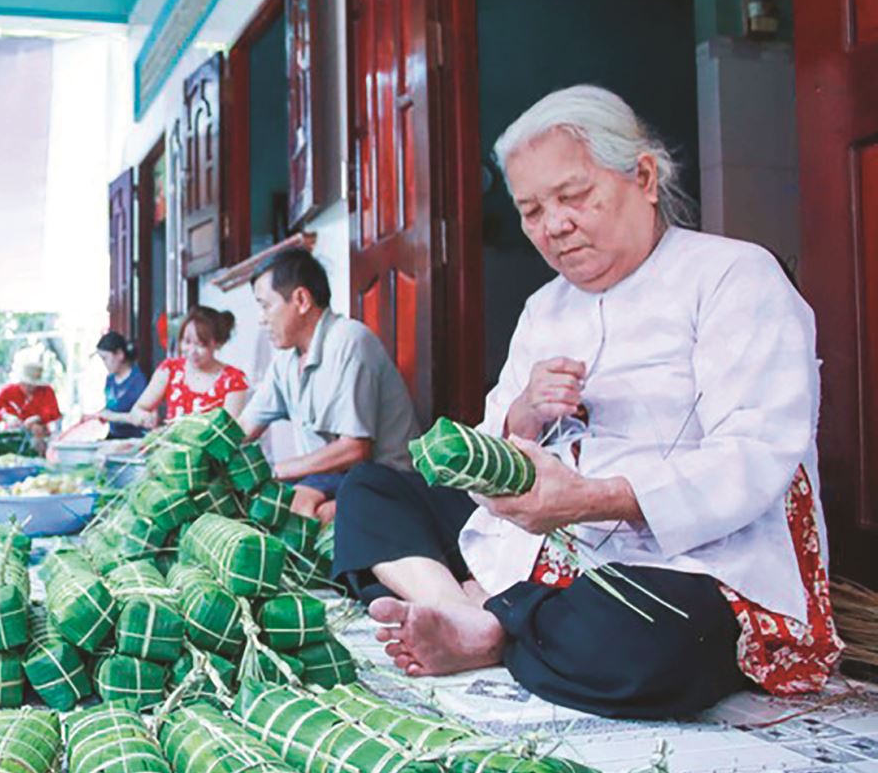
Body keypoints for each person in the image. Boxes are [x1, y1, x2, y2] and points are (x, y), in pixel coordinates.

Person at [333, 85, 843, 719]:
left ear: (646, 177)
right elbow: (492, 445)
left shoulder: (735, 277)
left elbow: (754, 454)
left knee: (642, 644)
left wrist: (596, 498)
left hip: (678, 559)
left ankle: (491, 622)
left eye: (573, 197)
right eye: (531, 210)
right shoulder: (543, 308)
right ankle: (467, 611)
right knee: (369, 490)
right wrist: (520, 415)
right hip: (537, 539)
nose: (554, 226)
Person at [239, 248, 419, 519]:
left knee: (304, 513)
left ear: (301, 300)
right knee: (260, 507)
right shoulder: (285, 361)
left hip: (386, 479)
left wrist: (276, 470)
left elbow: (355, 449)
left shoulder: (350, 341)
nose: (262, 319)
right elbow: (242, 429)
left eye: (265, 306)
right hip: (329, 479)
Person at [126, 307, 250, 429]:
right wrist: (144, 417)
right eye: (187, 342)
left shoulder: (233, 380)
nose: (192, 351)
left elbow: (230, 432)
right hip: (172, 447)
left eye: (201, 345)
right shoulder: (171, 370)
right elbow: (137, 410)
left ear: (217, 343)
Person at [0, 352, 62, 440]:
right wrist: (6, 417)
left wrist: (38, 418)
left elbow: (55, 413)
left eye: (33, 385)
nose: (29, 388)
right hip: (12, 435)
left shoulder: (46, 391)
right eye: (26, 384)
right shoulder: (9, 390)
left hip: (40, 435)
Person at [92, 332, 148, 439]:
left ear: (120, 355)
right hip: (114, 436)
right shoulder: (110, 380)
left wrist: (112, 416)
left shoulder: (138, 380)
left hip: (134, 439)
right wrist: (99, 415)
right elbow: (113, 406)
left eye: (105, 358)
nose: (104, 363)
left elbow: (144, 417)